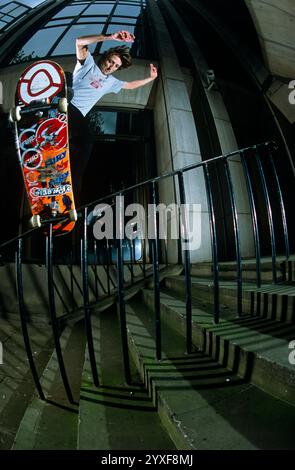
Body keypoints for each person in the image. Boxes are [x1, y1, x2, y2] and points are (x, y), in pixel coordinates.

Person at [69, 30, 158, 204]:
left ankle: (70, 185)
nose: (110, 66)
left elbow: (131, 85)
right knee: (86, 140)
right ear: (106, 56)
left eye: (115, 66)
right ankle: (75, 185)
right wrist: (109, 37)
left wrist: (151, 78)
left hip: (76, 118)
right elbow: (79, 41)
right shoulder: (88, 64)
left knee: (80, 145)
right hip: (68, 106)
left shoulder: (111, 82)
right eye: (110, 61)